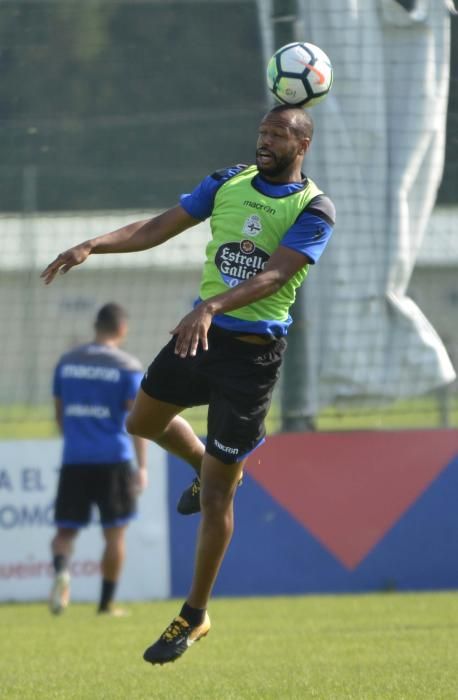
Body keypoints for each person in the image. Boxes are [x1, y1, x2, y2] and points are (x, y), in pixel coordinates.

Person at [41, 104, 335, 661]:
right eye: (262, 133)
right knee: (141, 420)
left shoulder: (314, 208)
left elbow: (276, 272)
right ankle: (204, 466)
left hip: (251, 358)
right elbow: (157, 226)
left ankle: (193, 614)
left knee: (221, 494)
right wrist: (92, 245)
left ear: (302, 146)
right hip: (199, 335)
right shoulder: (227, 182)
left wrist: (213, 306)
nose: (264, 142)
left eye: (277, 135)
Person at [49, 302, 147, 616]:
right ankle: (106, 604)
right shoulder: (128, 367)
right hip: (113, 459)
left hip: (75, 457)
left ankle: (62, 570)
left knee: (65, 532)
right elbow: (138, 421)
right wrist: (141, 466)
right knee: (115, 534)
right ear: (122, 329)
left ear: (95, 326)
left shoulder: (66, 362)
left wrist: (78, 440)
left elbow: (60, 415)